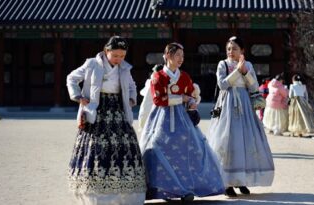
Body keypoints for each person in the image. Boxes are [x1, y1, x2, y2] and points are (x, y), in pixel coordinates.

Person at [139, 42, 224, 201]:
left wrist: (192, 101)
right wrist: (182, 98)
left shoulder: (184, 76)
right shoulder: (158, 76)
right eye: (177, 55)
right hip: (161, 118)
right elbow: (158, 100)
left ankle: (186, 189)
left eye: (182, 56)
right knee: (157, 148)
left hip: (182, 118)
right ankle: (165, 189)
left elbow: (191, 93)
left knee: (190, 149)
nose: (181, 59)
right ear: (168, 56)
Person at [66, 36, 146, 205]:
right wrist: (78, 96)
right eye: (115, 55)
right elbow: (71, 78)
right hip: (97, 111)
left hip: (118, 110)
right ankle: (95, 195)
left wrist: (131, 99)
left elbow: (132, 86)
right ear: (106, 51)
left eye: (122, 56)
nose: (119, 59)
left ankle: (124, 195)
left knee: (123, 149)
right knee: (95, 148)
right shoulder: (91, 64)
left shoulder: (124, 68)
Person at [207, 36, 274, 197]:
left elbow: (254, 87)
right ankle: (227, 183)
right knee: (227, 141)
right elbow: (222, 84)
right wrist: (238, 71)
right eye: (229, 49)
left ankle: (242, 180)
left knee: (245, 141)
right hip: (227, 105)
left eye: (235, 48)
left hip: (244, 105)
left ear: (242, 50)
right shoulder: (222, 64)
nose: (231, 52)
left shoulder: (248, 65)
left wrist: (245, 72)